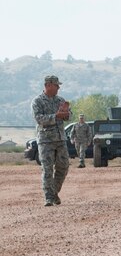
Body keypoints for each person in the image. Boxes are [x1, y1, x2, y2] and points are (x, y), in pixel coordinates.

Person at [31, 75, 71, 206]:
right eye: (56, 85)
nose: (58, 88)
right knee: (47, 169)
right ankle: (48, 197)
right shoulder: (37, 101)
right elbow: (39, 119)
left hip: (60, 139)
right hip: (45, 140)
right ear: (48, 85)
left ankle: (54, 193)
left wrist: (66, 114)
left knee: (63, 167)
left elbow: (68, 116)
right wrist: (56, 116)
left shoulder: (60, 100)